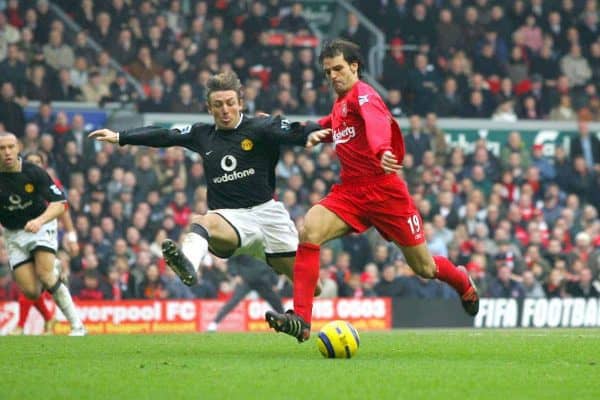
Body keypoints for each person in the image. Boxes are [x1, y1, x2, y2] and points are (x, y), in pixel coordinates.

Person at [265, 39, 480, 343]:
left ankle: (462, 281)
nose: (333, 76)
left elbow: (377, 124)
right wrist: (286, 129)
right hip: (351, 193)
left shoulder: (364, 95)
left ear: (354, 67)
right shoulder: (340, 104)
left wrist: (381, 150)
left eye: (338, 69)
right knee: (310, 229)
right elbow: (326, 125)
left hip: (385, 193)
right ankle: (301, 318)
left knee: (424, 267)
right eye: (327, 72)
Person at [88, 71, 329, 292]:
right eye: (218, 105)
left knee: (312, 287)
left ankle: (298, 320)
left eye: (230, 103)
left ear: (240, 103)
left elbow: (293, 129)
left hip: (268, 216)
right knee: (202, 222)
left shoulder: (260, 126)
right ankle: (189, 265)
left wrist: (311, 133)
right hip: (228, 218)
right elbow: (164, 135)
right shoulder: (202, 134)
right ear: (209, 108)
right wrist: (121, 136)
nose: (225, 109)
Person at [0, 132, 85, 336]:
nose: (7, 152)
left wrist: (39, 221)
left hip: (41, 227)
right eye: (2, 149)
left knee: (46, 276)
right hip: (13, 235)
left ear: (18, 147)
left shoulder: (34, 172)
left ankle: (77, 326)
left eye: (10, 147)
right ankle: (51, 267)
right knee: (31, 291)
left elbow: (60, 204)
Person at [206, 254, 284, 332]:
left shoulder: (234, 260)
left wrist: (274, 282)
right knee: (233, 301)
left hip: (258, 281)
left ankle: (285, 321)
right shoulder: (230, 267)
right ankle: (214, 323)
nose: (217, 264)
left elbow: (266, 267)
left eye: (217, 261)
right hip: (248, 281)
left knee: (275, 300)